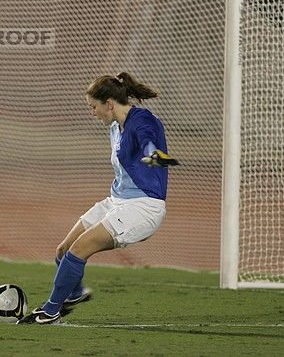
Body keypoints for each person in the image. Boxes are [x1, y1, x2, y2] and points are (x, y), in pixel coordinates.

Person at [18, 72, 179, 325]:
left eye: (93, 107)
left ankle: (50, 312)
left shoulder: (141, 119)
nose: (92, 112)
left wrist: (154, 154)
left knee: (80, 249)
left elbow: (148, 140)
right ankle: (75, 292)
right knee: (63, 251)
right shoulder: (116, 127)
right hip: (116, 201)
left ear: (109, 104)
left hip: (143, 207)